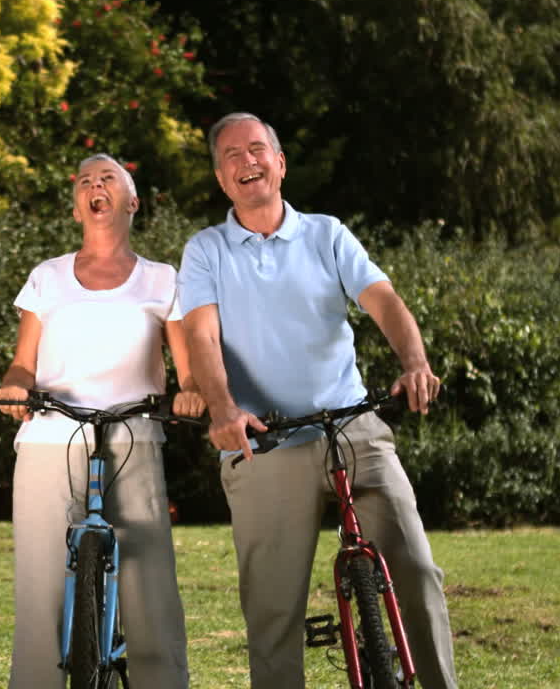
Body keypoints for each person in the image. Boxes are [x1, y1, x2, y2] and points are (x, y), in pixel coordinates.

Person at [177, 111, 458, 688]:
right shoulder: (206, 250)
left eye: (257, 149)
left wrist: (415, 363)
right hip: (264, 441)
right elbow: (201, 335)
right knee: (272, 610)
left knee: (417, 572)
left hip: (351, 428)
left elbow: (383, 301)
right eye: (231, 155)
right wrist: (224, 409)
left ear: (279, 163)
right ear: (219, 177)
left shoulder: (326, 234)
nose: (246, 161)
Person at [0, 154, 202, 689]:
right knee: (41, 588)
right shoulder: (47, 277)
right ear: (76, 207)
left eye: (108, 178)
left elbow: (189, 367)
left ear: (132, 202)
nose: (95, 186)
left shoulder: (163, 279)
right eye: (85, 181)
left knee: (149, 584)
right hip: (51, 431)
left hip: (134, 430)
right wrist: (15, 384)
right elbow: (24, 361)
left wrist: (192, 393)